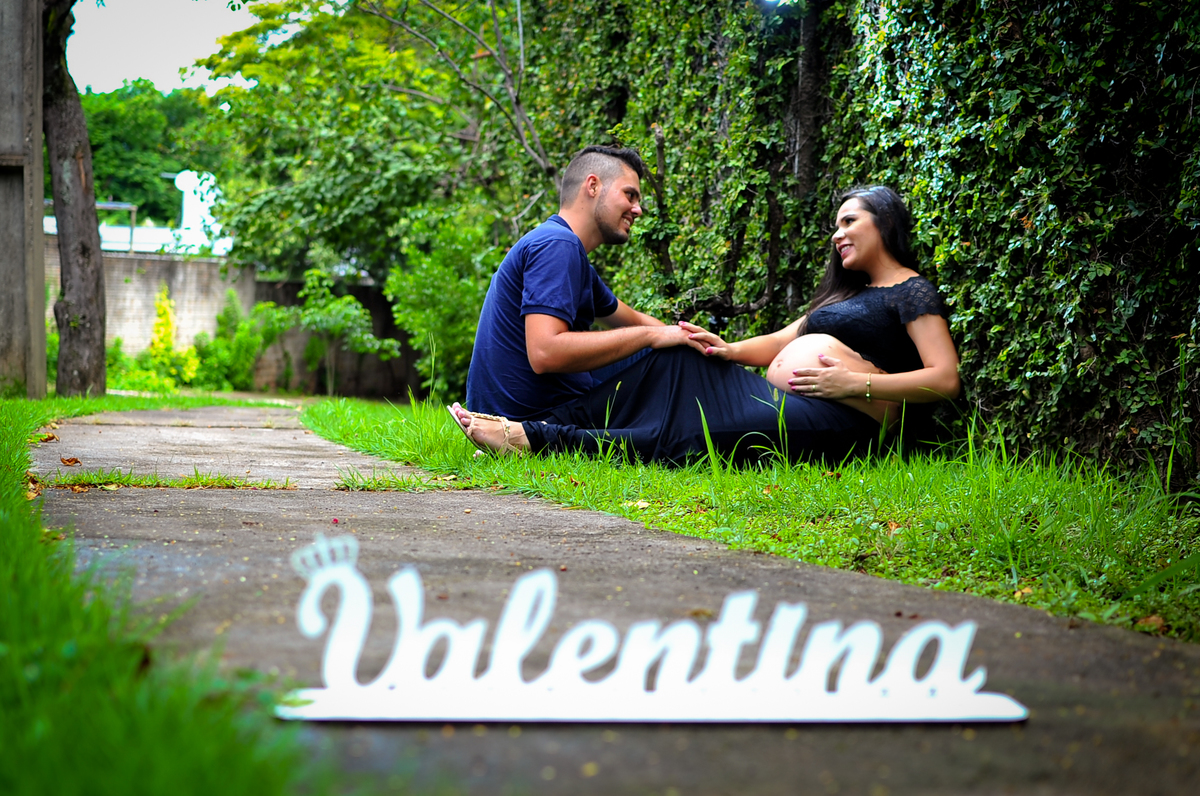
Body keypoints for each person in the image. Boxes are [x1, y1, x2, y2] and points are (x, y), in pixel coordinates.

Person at [452, 185, 960, 465]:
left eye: (849, 222)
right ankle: (535, 427)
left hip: (846, 421)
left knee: (688, 430)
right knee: (677, 358)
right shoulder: (844, 296)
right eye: (836, 225)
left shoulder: (911, 291)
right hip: (787, 401)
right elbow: (781, 341)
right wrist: (724, 349)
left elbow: (944, 379)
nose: (837, 235)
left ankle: (536, 438)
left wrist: (854, 383)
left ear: (884, 223)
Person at [464, 145, 698, 422]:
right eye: (630, 195)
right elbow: (545, 353)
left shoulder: (568, 253)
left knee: (673, 350)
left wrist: (696, 340)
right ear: (593, 186)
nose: (638, 210)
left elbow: (633, 320)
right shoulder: (557, 244)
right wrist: (651, 337)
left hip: (535, 410)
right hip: (532, 420)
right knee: (671, 360)